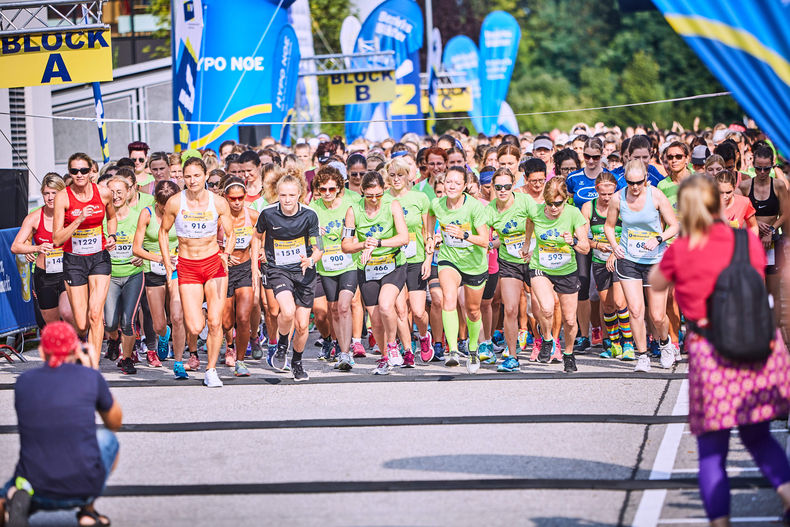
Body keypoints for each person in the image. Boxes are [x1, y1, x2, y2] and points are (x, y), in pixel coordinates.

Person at [649, 174, 790, 526]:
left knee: (712, 449)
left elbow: (656, 281)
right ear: (719, 202)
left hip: (711, 351)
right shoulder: (746, 241)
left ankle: (720, 523)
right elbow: (756, 280)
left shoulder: (682, 248)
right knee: (758, 435)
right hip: (755, 345)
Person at [0, 322, 122, 527]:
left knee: (10, 488)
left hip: (34, 486)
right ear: (76, 350)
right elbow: (115, 422)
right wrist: (93, 372)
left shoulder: (24, 382)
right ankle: (87, 510)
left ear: (41, 352)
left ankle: (11, 501)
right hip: (80, 487)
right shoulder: (89, 377)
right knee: (107, 438)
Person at [159, 157, 236, 388]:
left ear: (204, 176)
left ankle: (211, 370)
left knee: (215, 322)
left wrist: (226, 253)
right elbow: (163, 232)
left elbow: (231, 233)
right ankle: (202, 307)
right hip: (188, 266)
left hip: (214, 264)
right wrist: (166, 262)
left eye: (197, 176)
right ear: (182, 177)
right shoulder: (175, 202)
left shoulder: (218, 202)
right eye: (188, 176)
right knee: (194, 326)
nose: (192, 180)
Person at [604, 159, 679, 372]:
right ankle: (643, 355)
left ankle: (665, 344)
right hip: (629, 259)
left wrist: (658, 238)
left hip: (655, 260)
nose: (635, 187)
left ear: (645, 179)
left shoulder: (656, 195)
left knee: (657, 315)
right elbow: (609, 226)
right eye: (630, 182)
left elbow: (674, 226)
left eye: (639, 182)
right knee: (636, 310)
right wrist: (614, 246)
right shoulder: (618, 198)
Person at [252, 170, 322, 382]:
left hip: (304, 271)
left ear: (300, 194)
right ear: (277, 195)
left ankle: (297, 362)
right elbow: (256, 237)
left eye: (292, 195)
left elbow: (318, 247)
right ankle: (282, 344)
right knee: (287, 310)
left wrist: (311, 260)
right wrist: (255, 264)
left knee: (302, 325)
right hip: (278, 269)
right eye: (283, 195)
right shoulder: (268, 213)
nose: (287, 200)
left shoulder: (309, 215)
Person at [53, 153, 117, 366]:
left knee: (96, 314)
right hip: (74, 261)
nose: (79, 175)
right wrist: (79, 219)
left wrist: (112, 236)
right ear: (70, 173)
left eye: (83, 170)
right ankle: (83, 340)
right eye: (74, 171)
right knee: (81, 322)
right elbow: (56, 239)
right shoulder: (64, 197)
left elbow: (112, 217)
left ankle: (93, 365)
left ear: (91, 171)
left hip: (99, 258)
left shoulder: (103, 193)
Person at [342, 171, 408, 375]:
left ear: (384, 190)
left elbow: (404, 237)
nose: (374, 199)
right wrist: (363, 244)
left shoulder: (392, 205)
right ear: (361, 191)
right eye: (369, 195)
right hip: (368, 268)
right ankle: (384, 357)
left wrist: (378, 243)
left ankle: (392, 345)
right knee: (376, 319)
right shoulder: (353, 211)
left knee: (387, 306)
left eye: (378, 195)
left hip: (393, 263)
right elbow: (345, 245)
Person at [428, 166, 491, 372]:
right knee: (448, 298)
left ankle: (473, 349)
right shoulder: (437, 203)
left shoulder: (474, 207)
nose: (452, 186)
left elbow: (485, 241)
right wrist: (429, 237)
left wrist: (464, 235)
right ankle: (453, 350)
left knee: (473, 311)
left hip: (474, 263)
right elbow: (430, 215)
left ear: (464, 186)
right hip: (449, 259)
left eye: (457, 182)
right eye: (448, 182)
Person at [527, 178, 590, 372]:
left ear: (566, 200)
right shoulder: (536, 211)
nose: (553, 208)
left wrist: (572, 242)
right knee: (546, 308)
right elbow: (530, 222)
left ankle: (569, 353)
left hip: (566, 270)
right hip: (541, 266)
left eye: (558, 203)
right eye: (549, 203)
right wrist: (526, 243)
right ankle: (547, 339)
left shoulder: (573, 214)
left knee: (570, 320)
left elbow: (585, 248)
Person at [133, 180, 191, 379]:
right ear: (155, 201)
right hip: (154, 268)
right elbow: (137, 248)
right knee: (158, 323)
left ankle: (178, 362)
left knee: (177, 317)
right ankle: (164, 334)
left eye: (170, 205)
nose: (167, 210)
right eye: (162, 206)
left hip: (177, 268)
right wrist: (160, 257)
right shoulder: (147, 214)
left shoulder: (183, 211)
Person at [487, 167, 536, 372]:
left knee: (541, 307)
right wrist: (488, 244)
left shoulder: (525, 201)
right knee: (510, 308)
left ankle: (548, 340)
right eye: (498, 187)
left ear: (513, 185)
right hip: (509, 262)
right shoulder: (489, 210)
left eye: (507, 186)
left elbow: (538, 221)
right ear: (493, 187)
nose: (503, 190)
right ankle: (512, 355)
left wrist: (529, 244)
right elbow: (486, 236)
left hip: (533, 258)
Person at [565, 137, 610, 353]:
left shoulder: (610, 177)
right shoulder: (574, 178)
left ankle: (607, 333)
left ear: (602, 155)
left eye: (595, 157)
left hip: (605, 237)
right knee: (582, 286)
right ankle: (585, 334)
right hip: (582, 237)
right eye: (587, 156)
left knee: (603, 288)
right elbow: (568, 205)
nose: (591, 161)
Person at [386, 158, 433, 364]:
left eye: (401, 175)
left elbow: (427, 231)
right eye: (393, 175)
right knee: (400, 309)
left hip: (416, 258)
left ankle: (424, 337)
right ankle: (407, 350)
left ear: (408, 177)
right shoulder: (384, 198)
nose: (396, 179)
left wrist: (428, 259)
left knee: (419, 310)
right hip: (394, 259)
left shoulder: (419, 198)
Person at [581, 172, 632, 359]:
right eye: (603, 194)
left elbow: (629, 234)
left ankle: (628, 343)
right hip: (599, 261)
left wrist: (613, 252)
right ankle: (614, 343)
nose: (607, 198)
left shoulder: (621, 205)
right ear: (596, 191)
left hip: (621, 259)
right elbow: (584, 239)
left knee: (620, 302)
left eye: (611, 194)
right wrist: (597, 244)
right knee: (607, 305)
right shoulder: (588, 207)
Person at [312, 165, 358, 370]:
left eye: (331, 189)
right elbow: (314, 240)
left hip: (349, 263)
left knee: (343, 306)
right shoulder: (314, 208)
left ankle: (346, 353)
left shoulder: (350, 204)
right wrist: (317, 239)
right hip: (326, 265)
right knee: (332, 309)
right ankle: (339, 346)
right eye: (323, 190)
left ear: (339, 187)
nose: (327, 193)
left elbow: (358, 231)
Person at [11, 174, 74, 325]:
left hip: (69, 272)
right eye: (47, 193)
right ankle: (62, 347)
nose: (50, 197)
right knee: (52, 324)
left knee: (68, 313)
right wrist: (35, 248)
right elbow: (15, 246)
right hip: (45, 275)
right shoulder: (34, 217)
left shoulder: (70, 214)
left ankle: (78, 342)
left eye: (54, 193)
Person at [103, 172, 147, 374]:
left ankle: (127, 358)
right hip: (110, 275)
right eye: (112, 192)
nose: (116, 196)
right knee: (110, 322)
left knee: (128, 320)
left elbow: (150, 242)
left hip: (133, 274)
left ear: (129, 192)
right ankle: (113, 340)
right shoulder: (102, 219)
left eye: (120, 192)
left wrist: (143, 256)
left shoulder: (139, 216)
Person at [738, 143, 787, 324]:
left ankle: (774, 336)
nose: (762, 173)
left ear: (772, 166)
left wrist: (772, 229)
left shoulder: (778, 186)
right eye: (758, 168)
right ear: (753, 166)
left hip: (772, 241)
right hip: (751, 241)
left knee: (773, 292)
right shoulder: (744, 186)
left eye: (766, 169)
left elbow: (786, 212)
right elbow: (736, 212)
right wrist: (755, 222)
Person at [219, 176, 259, 377]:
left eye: (240, 198)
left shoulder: (252, 216)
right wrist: (222, 255)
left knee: (243, 317)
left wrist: (255, 261)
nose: (236, 202)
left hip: (243, 268)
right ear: (225, 197)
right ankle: (229, 343)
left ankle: (241, 361)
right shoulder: (218, 218)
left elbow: (260, 240)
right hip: (223, 271)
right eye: (232, 198)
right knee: (227, 322)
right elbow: (208, 243)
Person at [716, 171, 758, 235]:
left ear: (734, 187)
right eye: (720, 192)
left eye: (728, 192)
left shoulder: (744, 202)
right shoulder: (707, 203)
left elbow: (753, 226)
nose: (724, 197)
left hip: (736, 244)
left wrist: (750, 243)